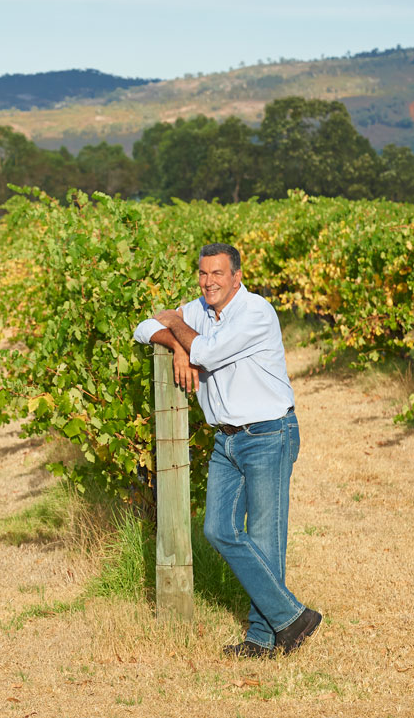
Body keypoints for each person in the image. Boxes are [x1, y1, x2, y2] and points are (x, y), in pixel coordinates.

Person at [133, 242, 320, 658]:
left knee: (265, 538)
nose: (209, 282)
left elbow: (209, 353)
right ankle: (293, 619)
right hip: (227, 439)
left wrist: (186, 341)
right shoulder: (199, 310)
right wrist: (177, 343)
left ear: (237, 276)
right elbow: (144, 327)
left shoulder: (256, 312)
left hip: (268, 434)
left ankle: (261, 638)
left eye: (217, 274)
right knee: (217, 529)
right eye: (203, 274)